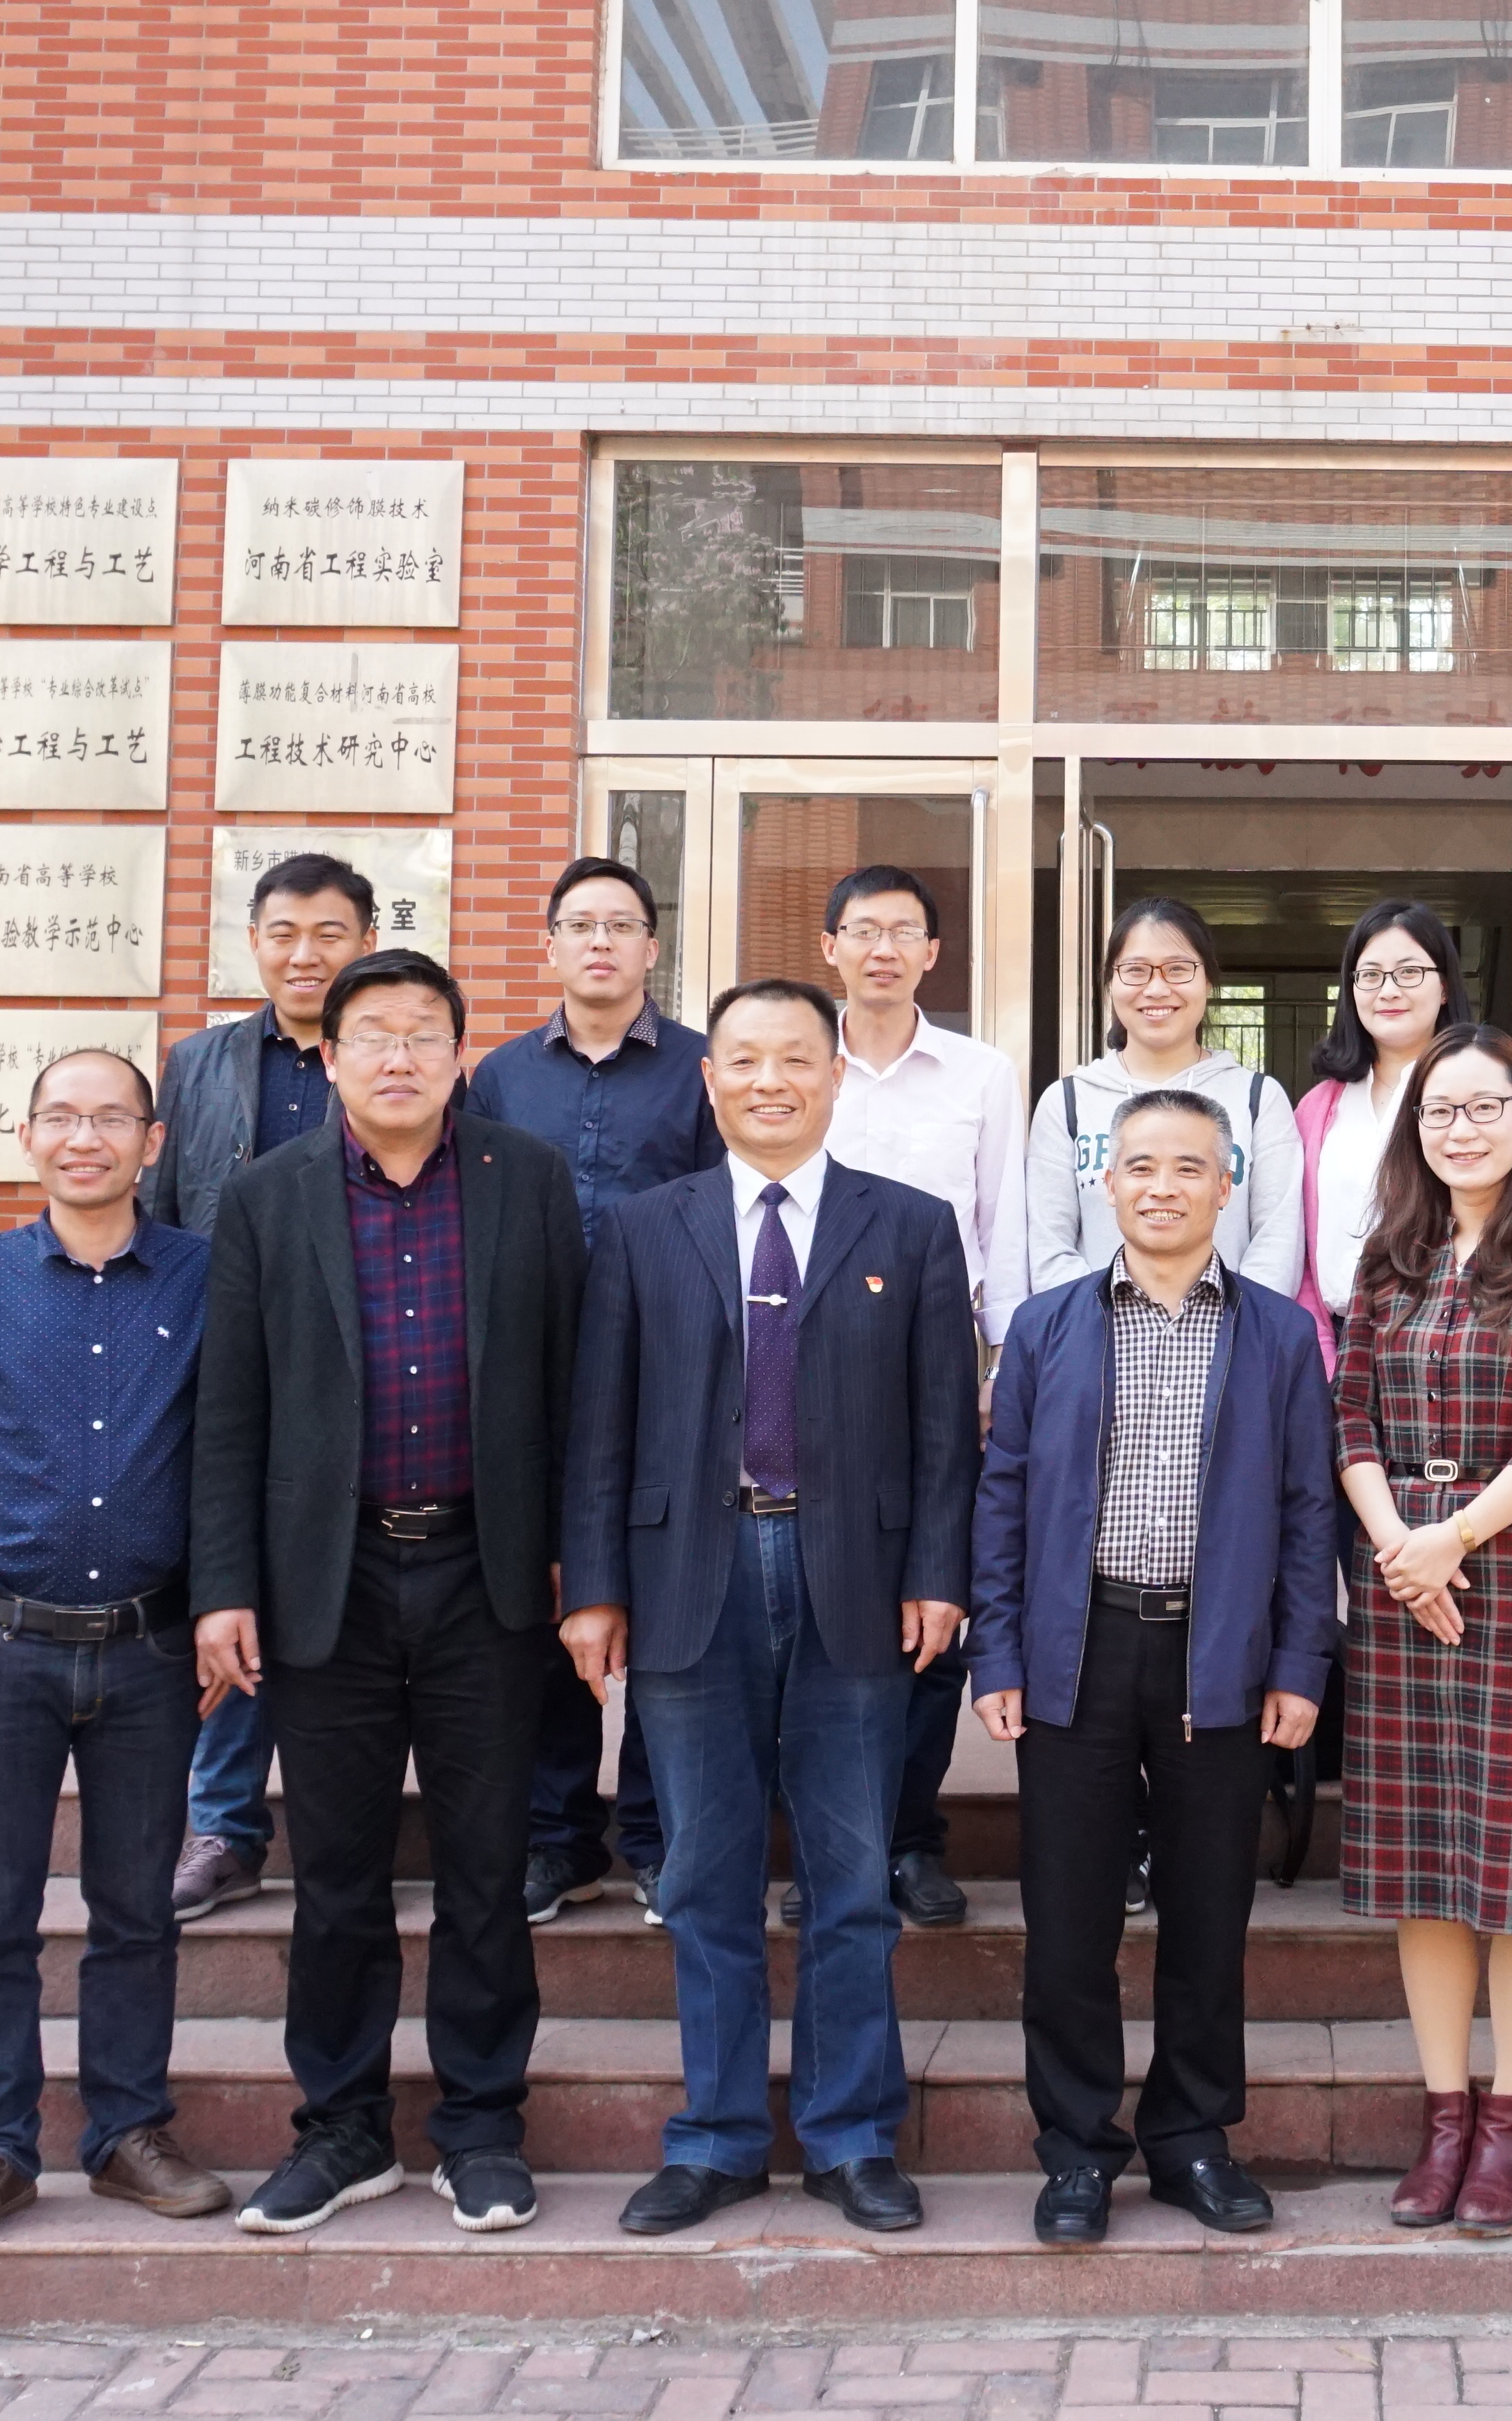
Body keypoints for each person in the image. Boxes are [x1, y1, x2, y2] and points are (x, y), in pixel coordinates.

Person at [557, 979, 979, 2240]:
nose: (769, 1080)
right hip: (694, 1579)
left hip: (855, 1582)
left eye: (796, 1057)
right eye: (744, 1059)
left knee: (851, 1880)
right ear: (710, 1078)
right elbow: (600, 1425)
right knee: (704, 1876)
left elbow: (946, 1426)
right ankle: (720, 2137)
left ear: (835, 1074)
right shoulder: (645, 1228)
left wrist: (939, 1574)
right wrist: (595, 1590)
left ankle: (853, 2141)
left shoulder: (910, 1228)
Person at [189, 952, 583, 2239]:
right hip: (329, 1580)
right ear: (335, 1057)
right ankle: (344, 2129)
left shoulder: (526, 1180)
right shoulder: (266, 1197)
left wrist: (583, 1564)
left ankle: (481, 2127)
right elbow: (229, 1408)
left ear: (464, 1055)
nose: (399, 1056)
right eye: (374, 1035)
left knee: (484, 1867)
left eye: (424, 1033)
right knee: (340, 1875)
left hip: (486, 1572)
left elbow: (574, 1385)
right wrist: (225, 1587)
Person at [970, 1089, 1341, 2245]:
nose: (1165, 1186)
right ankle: (1077, 2149)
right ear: (1108, 1184)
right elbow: (1006, 1495)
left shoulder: (1278, 1334)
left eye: (1190, 1167)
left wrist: (1298, 1663)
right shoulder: (1047, 1326)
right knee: (1068, 1921)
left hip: (1218, 1656)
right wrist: (1001, 1648)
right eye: (1141, 1167)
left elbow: (1304, 1508)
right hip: (1079, 1649)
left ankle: (1191, 2137)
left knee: (1206, 1916)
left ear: (1228, 1185)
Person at [0, 1045, 232, 2249]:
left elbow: (234, 1457)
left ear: (153, 1141)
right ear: (28, 1137)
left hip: (149, 1653)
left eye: (111, 1119)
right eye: (61, 1118)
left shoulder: (203, 1276)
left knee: (137, 1910)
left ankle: (130, 2133)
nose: (86, 1138)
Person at [1334, 1027, 1512, 2237]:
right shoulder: (1388, 1262)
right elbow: (1347, 1418)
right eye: (1438, 1111)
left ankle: (1510, 2121)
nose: (1460, 1128)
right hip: (1404, 1577)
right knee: (1423, 1871)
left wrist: (1448, 1541)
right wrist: (1402, 1545)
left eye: (1483, 1107)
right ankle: (1442, 2115)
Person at [465, 854, 726, 1931]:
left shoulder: (708, 1067)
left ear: (654, 948)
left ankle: (660, 1843)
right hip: (532, 1370)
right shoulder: (500, 1076)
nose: (603, 942)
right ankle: (556, 1840)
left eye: (623, 924)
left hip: (672, 1366)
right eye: (582, 925)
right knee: (547, 1608)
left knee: (666, 1604)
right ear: (551, 945)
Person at [142, 850, 376, 1926]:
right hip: (226, 1371)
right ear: (254, 942)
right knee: (228, 1597)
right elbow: (157, 1220)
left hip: (364, 1378)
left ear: (366, 942)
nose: (305, 953)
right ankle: (223, 1825)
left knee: (329, 1602)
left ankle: (334, 1825)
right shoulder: (197, 1067)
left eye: (329, 933)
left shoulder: (394, 1054)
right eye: (284, 932)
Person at [819, 861, 1029, 1937]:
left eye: (904, 931)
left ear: (934, 954)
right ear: (832, 949)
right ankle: (830, 1841)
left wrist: (1004, 1374)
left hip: (946, 1379)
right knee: (821, 1611)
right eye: (864, 930)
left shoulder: (982, 1074)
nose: (884, 949)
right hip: (808, 1383)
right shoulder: (800, 1066)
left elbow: (1006, 1231)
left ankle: (908, 1838)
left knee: (933, 1611)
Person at [1027, 895, 1305, 1298]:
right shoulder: (1067, 1101)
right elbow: (1050, 1247)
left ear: (1208, 980)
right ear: (1110, 983)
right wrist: (1101, 1330)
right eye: (1135, 971)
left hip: (1232, 1343)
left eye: (1178, 969)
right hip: (1096, 1344)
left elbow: (1276, 1243)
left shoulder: (1257, 1098)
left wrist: (1235, 1332)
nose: (1157, 989)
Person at [1292, 899, 1474, 1367]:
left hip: (1449, 1346)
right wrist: (1324, 1358)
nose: (1388, 990)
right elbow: (1303, 1255)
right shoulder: (1318, 1108)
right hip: (1335, 1341)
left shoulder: (1479, 1094)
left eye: (1409, 973)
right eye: (1370, 975)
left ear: (1446, 987)